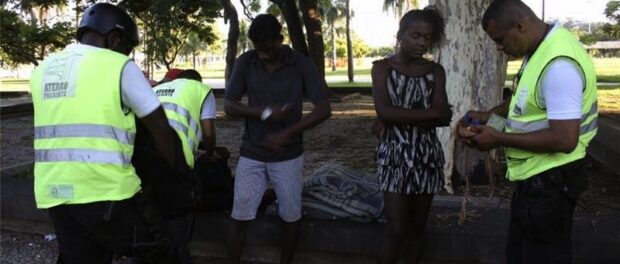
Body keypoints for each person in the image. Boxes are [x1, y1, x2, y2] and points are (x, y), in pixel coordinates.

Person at [30, 3, 190, 263]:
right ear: (114, 38)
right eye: (128, 48)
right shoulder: (118, 66)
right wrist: (171, 179)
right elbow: (159, 126)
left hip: (54, 193)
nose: (128, 55)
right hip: (106, 193)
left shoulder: (42, 70)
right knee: (162, 250)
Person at [456, 1, 597, 263]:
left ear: (520, 26)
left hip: (551, 183)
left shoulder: (558, 66)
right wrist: (490, 116)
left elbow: (565, 139)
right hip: (537, 182)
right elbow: (526, 101)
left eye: (500, 39)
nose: (499, 47)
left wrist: (497, 138)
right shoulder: (541, 49)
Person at [223, 13, 331, 264]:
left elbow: (324, 109)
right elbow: (229, 105)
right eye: (258, 49)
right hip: (252, 151)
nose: (263, 54)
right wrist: (264, 113)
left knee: (290, 215)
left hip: (288, 154)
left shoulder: (301, 64)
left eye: (269, 48)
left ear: (281, 39)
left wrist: (288, 132)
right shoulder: (246, 62)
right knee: (240, 213)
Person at [371, 7, 452, 264]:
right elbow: (384, 110)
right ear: (401, 35)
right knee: (396, 230)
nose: (421, 42)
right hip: (394, 155)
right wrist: (428, 113)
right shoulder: (382, 68)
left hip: (426, 156)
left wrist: (393, 116)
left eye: (427, 38)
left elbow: (444, 118)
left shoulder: (435, 71)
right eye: (415, 35)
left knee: (417, 231)